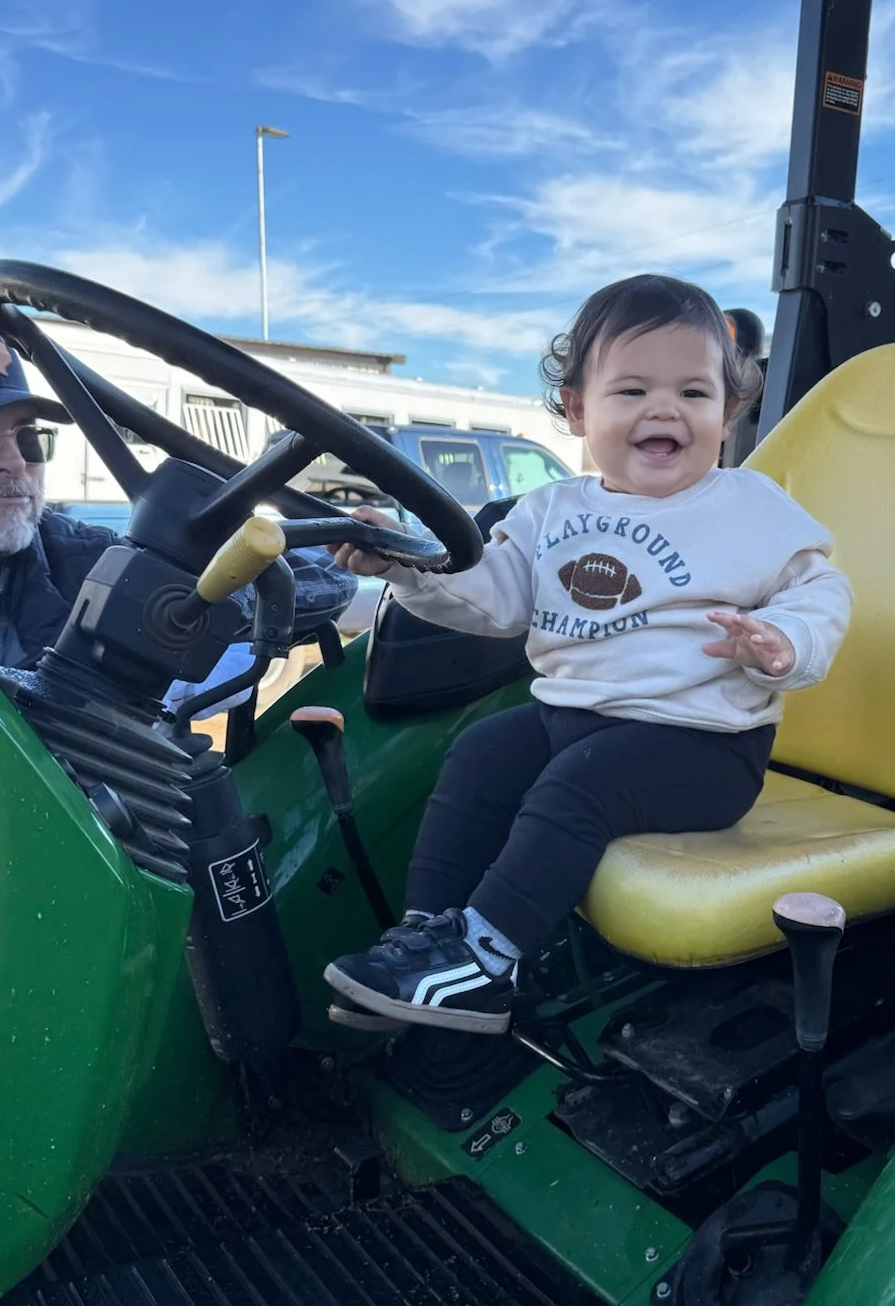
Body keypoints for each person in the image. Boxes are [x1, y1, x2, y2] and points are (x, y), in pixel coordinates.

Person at [323, 271, 852, 1035]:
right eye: (632, 391)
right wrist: (408, 563)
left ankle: (485, 963)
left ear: (730, 412)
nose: (665, 410)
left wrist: (784, 641)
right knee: (479, 752)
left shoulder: (752, 509)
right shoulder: (550, 512)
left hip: (704, 748)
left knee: (581, 784)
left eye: (694, 395)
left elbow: (819, 592)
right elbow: (494, 598)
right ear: (577, 410)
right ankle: (427, 940)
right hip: (573, 719)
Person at [0, 310, 356, 674]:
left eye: (30, 436)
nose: (15, 461)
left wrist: (352, 553)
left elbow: (311, 585)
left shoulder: (83, 567)